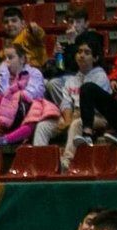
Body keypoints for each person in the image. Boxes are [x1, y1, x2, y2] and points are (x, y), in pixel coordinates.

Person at [40, 41, 109, 170]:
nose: (81, 55)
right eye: (79, 52)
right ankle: (41, 162)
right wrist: (67, 119)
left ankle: (66, 161)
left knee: (77, 123)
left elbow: (95, 106)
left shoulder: (100, 77)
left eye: (87, 53)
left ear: (95, 58)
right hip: (73, 115)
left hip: (97, 117)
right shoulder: (71, 80)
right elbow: (66, 102)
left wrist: (72, 119)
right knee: (43, 126)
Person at [51, 5, 105, 76]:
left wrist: (73, 43)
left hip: (90, 76)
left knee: (54, 83)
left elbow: (78, 67)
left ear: (86, 24)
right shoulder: (66, 43)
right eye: (71, 22)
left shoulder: (93, 38)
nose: (74, 25)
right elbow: (62, 69)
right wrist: (58, 56)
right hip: (70, 77)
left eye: (78, 22)